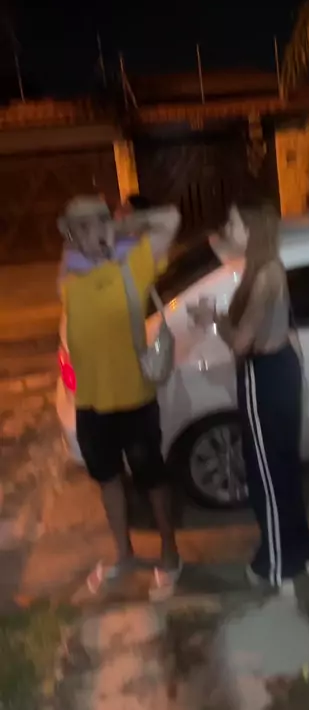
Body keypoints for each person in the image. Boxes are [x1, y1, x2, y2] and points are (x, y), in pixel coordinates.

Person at [58, 195, 181, 596]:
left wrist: (122, 228)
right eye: (78, 228)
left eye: (94, 223)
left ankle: (170, 554)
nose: (86, 234)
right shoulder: (69, 274)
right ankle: (123, 553)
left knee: (152, 480)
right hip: (90, 404)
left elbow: (170, 219)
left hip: (134, 400)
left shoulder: (133, 262)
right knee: (107, 481)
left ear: (107, 224)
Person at [193, 204, 309, 587]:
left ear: (252, 229)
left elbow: (241, 342)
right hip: (277, 369)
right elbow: (217, 244)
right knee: (283, 468)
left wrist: (214, 320)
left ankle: (278, 564)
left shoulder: (265, 276)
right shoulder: (265, 266)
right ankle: (299, 549)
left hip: (264, 374)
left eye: (234, 222)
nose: (227, 227)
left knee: (267, 474)